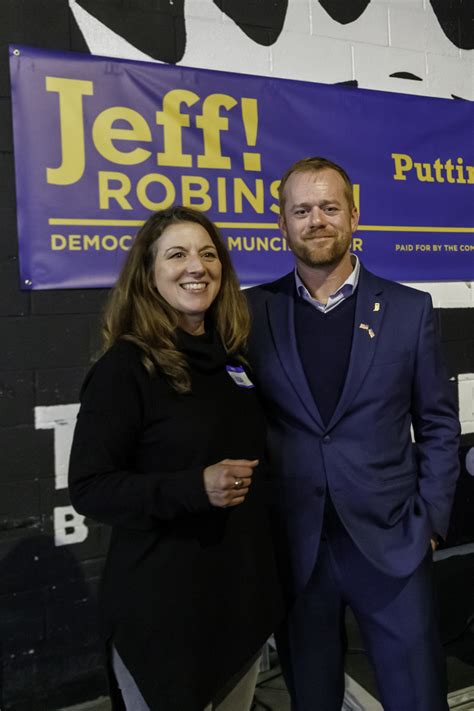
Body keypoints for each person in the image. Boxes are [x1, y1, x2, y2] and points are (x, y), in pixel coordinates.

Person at [246, 157, 460, 711]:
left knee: (417, 698)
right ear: (282, 224)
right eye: (301, 210)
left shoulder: (411, 310)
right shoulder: (251, 312)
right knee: (312, 700)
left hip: (392, 545)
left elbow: (437, 423)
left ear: (354, 216)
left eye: (329, 207)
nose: (316, 220)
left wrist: (430, 522)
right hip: (295, 549)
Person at [68, 206, 283, 711]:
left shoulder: (233, 361)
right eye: (177, 254)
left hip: (235, 607)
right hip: (162, 615)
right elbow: (90, 487)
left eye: (209, 254)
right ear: (148, 273)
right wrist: (194, 487)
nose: (197, 266)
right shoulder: (127, 366)